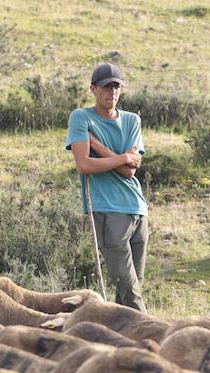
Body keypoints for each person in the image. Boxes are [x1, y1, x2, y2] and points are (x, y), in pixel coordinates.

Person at [65, 62, 148, 312]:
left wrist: (98, 146)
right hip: (107, 211)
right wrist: (122, 156)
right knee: (130, 289)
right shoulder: (81, 117)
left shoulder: (132, 120)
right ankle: (154, 337)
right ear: (93, 89)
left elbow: (129, 170)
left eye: (116, 87)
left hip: (138, 209)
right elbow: (84, 165)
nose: (112, 92)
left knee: (131, 291)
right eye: (106, 87)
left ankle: (121, 344)